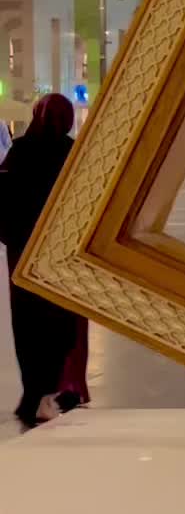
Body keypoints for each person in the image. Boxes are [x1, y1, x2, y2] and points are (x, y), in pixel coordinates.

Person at [0, 94, 90, 429]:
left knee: (27, 326)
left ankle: (34, 394)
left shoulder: (20, 151)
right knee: (62, 324)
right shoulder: (73, 152)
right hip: (61, 255)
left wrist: (12, 237)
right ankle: (55, 391)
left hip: (24, 255)